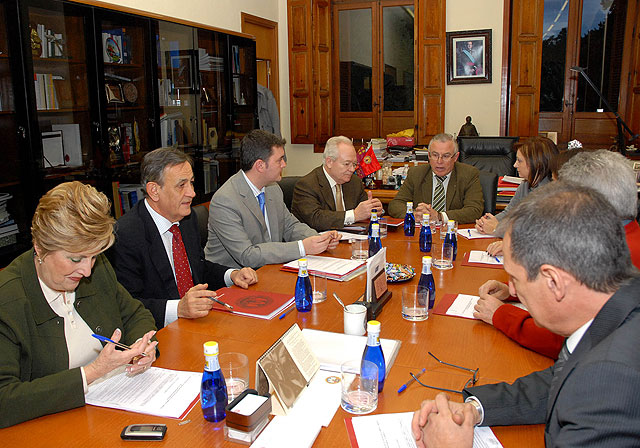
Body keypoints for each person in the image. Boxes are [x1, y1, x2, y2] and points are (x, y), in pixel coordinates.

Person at [412, 182, 640, 447]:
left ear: (553, 281)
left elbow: (590, 385)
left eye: (515, 278)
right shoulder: (617, 308)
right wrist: (475, 408)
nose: (511, 289)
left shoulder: (613, 375)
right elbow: (561, 380)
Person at [0, 182, 158, 428]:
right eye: (75, 258)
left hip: (110, 411)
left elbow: (135, 314)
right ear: (40, 247)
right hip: (49, 430)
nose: (86, 270)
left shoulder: (97, 268)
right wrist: (92, 373)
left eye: (93, 256)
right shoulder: (7, 300)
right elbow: (4, 400)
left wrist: (141, 347)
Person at [474, 150, 640, 359]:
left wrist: (501, 314)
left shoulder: (621, 254)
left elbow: (569, 339)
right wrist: (515, 291)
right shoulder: (623, 236)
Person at [111, 148, 258, 329]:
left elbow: (197, 268)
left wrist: (232, 275)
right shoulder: (126, 234)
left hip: (198, 323)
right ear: (154, 190)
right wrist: (178, 309)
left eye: (191, 183)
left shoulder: (187, 219)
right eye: (181, 185)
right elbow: (127, 304)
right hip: (159, 332)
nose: (192, 193)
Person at [205, 130, 340, 269]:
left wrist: (319, 239)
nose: (284, 164)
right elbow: (248, 255)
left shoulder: (272, 188)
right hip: (233, 281)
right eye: (279, 160)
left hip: (269, 270)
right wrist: (302, 248)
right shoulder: (225, 201)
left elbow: (290, 226)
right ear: (260, 165)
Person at [291, 136, 383, 231]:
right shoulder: (306, 185)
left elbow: (364, 211)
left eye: (354, 164)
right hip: (318, 241)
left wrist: (374, 209)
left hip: (350, 240)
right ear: (329, 162)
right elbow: (315, 219)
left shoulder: (354, 182)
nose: (352, 169)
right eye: (347, 164)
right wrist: (354, 215)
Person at [388, 133, 483, 224]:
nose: (439, 161)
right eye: (435, 155)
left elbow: (474, 210)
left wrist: (439, 216)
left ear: (455, 157)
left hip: (452, 233)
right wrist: (413, 215)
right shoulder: (416, 173)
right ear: (429, 155)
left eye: (445, 156)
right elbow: (396, 204)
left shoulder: (468, 174)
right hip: (423, 232)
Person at [476, 136, 558, 235]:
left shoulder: (552, 194)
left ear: (536, 163)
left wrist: (496, 229)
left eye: (519, 161)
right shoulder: (525, 184)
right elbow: (509, 213)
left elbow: (535, 233)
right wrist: (486, 222)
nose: (515, 165)